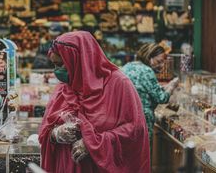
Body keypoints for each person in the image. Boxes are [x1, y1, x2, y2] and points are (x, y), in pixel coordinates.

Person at [38, 31, 151, 173]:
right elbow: (45, 130)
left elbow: (135, 129)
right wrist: (55, 134)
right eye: (54, 65)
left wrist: (93, 143)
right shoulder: (65, 88)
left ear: (79, 60)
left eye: (60, 64)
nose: (56, 71)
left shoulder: (118, 84)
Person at [121, 43, 179, 159]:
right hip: (143, 121)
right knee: (143, 158)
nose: (162, 66)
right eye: (159, 61)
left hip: (125, 120)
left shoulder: (127, 66)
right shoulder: (147, 71)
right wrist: (172, 86)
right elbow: (161, 98)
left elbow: (144, 88)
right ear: (149, 57)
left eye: (163, 62)